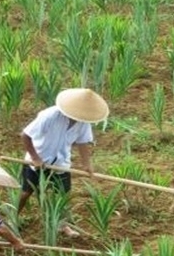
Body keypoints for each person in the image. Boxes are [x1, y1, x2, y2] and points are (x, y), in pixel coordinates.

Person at [17, 88, 109, 237]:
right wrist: (35, 158)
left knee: (63, 196)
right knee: (26, 192)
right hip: (38, 160)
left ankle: (63, 226)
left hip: (61, 163)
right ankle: (11, 219)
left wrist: (87, 164)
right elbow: (25, 135)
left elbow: (83, 142)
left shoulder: (83, 122)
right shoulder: (49, 116)